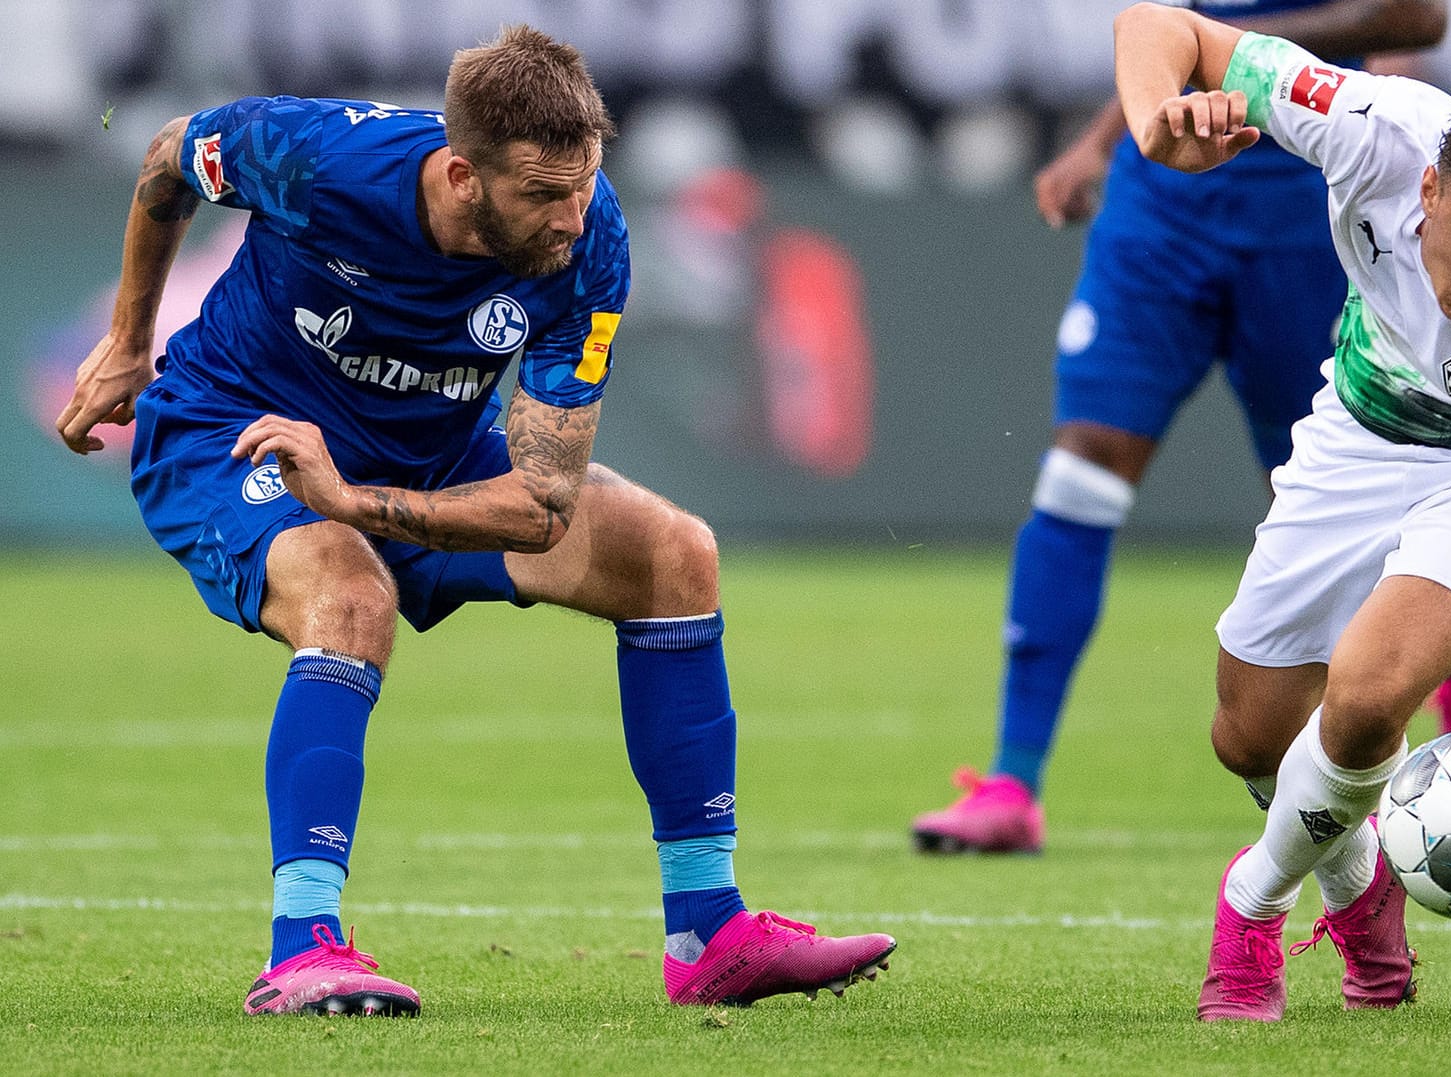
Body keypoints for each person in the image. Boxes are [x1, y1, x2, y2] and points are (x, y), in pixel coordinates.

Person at [55, 25, 895, 1017]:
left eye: (582, 187)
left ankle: (706, 932)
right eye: (543, 196)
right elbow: (167, 158)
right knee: (351, 589)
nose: (571, 221)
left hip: (418, 461)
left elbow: (541, 504)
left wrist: (357, 501)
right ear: (461, 176)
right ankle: (304, 948)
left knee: (676, 555)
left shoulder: (590, 242)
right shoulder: (318, 160)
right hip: (230, 434)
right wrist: (125, 338)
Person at [1107, 2, 1451, 1021]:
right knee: (1248, 738)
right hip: (1358, 431)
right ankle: (1361, 895)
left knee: (1367, 696)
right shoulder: (1372, 124)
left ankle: (1250, 907)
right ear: (1432, 186)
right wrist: (1153, 124)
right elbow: (1156, 24)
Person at [912, 0, 1451, 857]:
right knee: (1082, 464)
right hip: (1163, 206)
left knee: (1352, 508)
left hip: (1308, 205)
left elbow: (1414, 15)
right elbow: (1182, 23)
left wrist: (1242, 61)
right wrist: (1104, 138)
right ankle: (1014, 779)